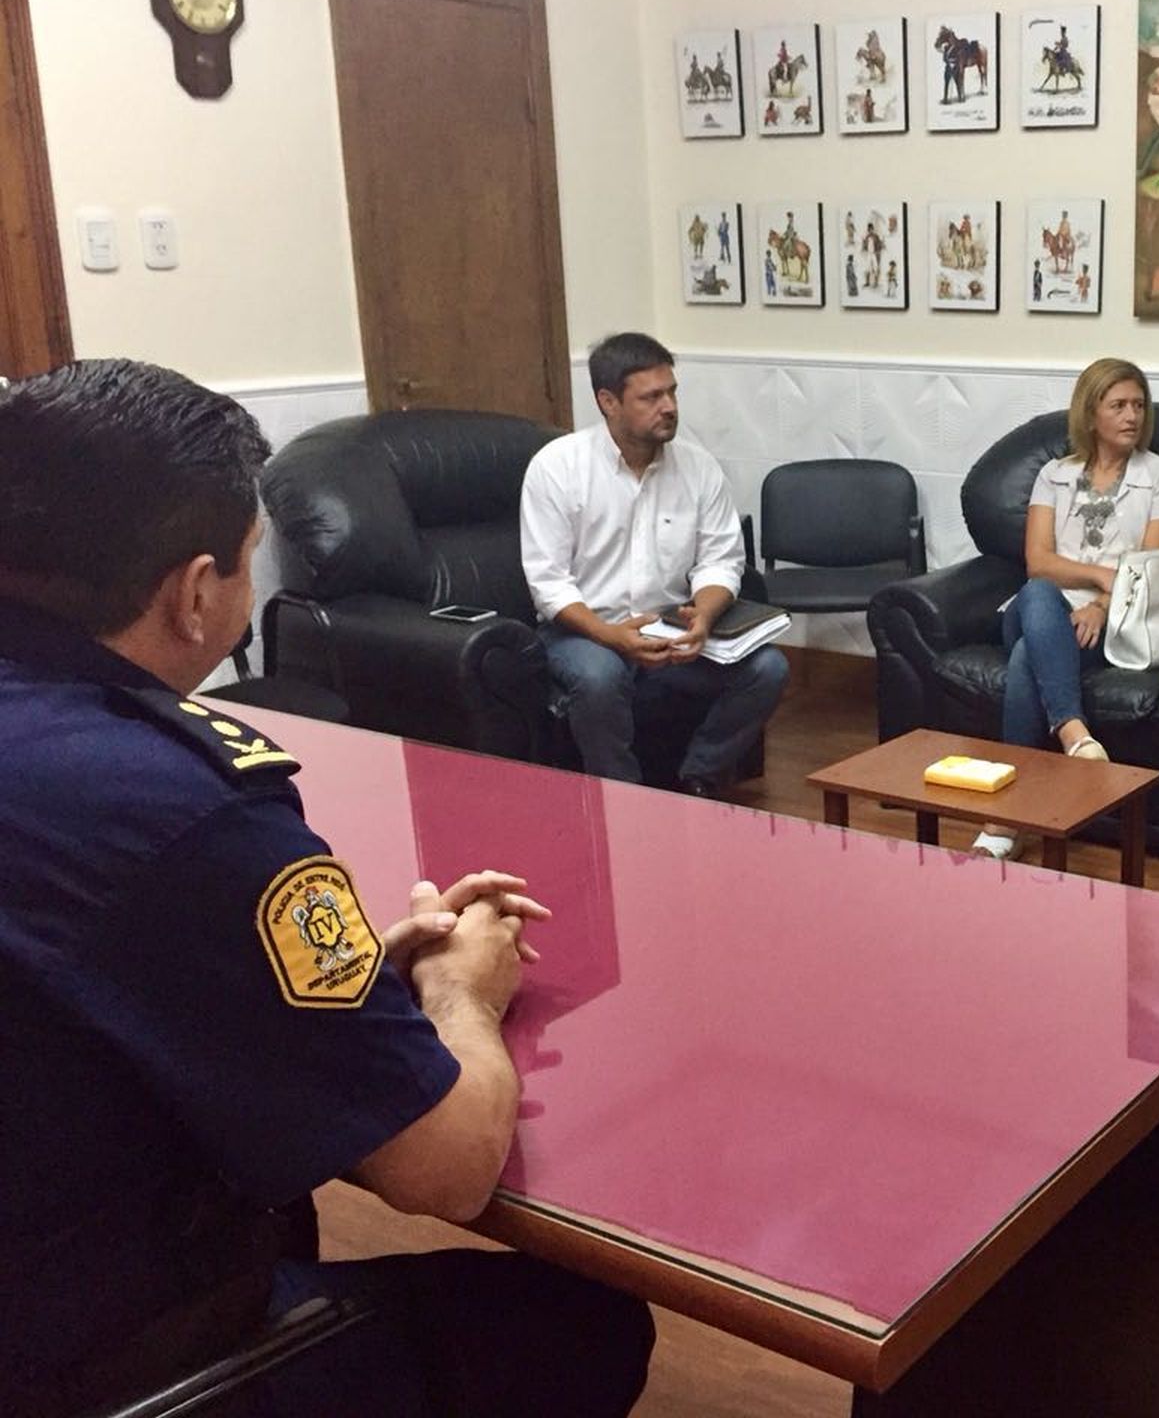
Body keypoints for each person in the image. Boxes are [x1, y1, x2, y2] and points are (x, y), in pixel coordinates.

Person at [0, 360, 653, 1417]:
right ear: (196, 593)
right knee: (583, 1326)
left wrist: (339, 974)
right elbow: (446, 1171)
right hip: (106, 1357)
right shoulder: (189, 806)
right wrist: (460, 994)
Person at [520, 332, 787, 796]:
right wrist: (611, 637)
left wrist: (703, 617)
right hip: (583, 631)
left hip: (670, 629)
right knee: (599, 676)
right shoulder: (557, 468)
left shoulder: (698, 468)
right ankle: (623, 800)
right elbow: (549, 584)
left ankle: (698, 780)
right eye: (651, 397)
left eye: (672, 392)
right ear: (608, 401)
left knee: (768, 668)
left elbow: (721, 561)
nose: (669, 407)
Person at [972, 359, 1159, 860]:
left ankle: (1006, 818)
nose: (1132, 416)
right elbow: (1038, 562)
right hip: (1040, 606)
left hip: (1117, 620)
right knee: (1038, 595)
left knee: (1028, 657)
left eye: (1139, 405)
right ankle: (1072, 731)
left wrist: (1104, 605)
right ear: (1091, 414)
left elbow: (1148, 567)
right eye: (1118, 406)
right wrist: (1099, 578)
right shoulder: (1055, 474)